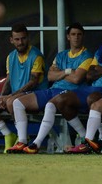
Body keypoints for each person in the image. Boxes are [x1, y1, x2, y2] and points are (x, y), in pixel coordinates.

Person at [22, 13, 102, 154]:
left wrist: (99, 68)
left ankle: (99, 140)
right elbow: (89, 74)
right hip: (93, 86)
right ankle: (37, 143)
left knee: (93, 98)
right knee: (60, 101)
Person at [8, 23, 93, 154]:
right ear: (68, 37)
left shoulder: (87, 56)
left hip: (71, 92)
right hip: (53, 89)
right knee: (17, 103)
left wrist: (60, 73)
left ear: (83, 36)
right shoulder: (61, 55)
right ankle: (22, 141)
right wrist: (69, 71)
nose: (76, 37)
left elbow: (77, 79)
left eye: (79, 34)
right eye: (73, 34)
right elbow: (50, 76)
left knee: (50, 105)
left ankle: (36, 143)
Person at [0, 24, 46, 153]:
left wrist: (10, 96)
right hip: (16, 94)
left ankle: (21, 138)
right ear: (11, 40)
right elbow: (9, 79)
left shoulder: (36, 55)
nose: (20, 42)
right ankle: (8, 134)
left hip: (35, 93)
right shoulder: (10, 57)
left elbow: (33, 81)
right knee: (5, 100)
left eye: (23, 38)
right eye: (17, 39)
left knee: (12, 102)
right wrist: (3, 96)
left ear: (28, 38)